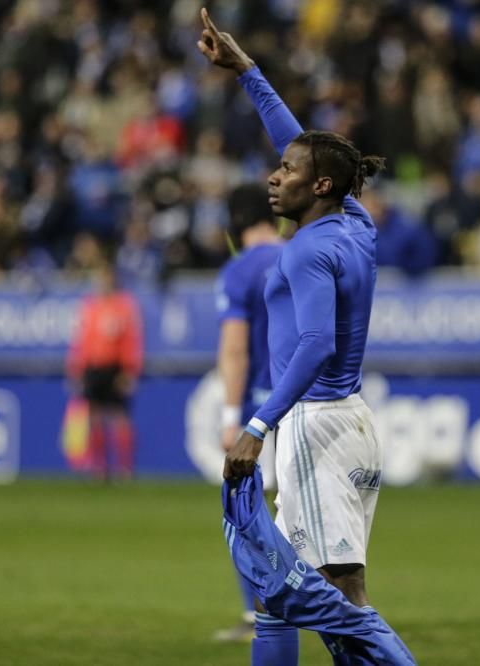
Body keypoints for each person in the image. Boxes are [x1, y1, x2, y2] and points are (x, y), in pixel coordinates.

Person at [198, 10, 412, 664]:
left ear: (318, 186)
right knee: (281, 588)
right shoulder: (354, 224)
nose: (273, 174)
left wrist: (258, 425)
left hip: (315, 426)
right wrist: (249, 74)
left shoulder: (304, 252)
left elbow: (316, 343)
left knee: (335, 598)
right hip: (347, 422)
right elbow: (306, 145)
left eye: (286, 170)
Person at [213, 183, 284, 642]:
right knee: (300, 517)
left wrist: (229, 416)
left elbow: (235, 349)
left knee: (248, 513)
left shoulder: (238, 271)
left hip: (260, 410)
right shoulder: (302, 256)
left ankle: (259, 616)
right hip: (309, 404)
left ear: (234, 226)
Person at [66, 261, 144, 481]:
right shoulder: (90, 306)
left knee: (120, 418)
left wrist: (130, 370)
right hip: (93, 368)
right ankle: (99, 469)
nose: (103, 283)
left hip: (115, 368)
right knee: (95, 418)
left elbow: (132, 340)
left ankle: (125, 469)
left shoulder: (125, 306)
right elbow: (81, 340)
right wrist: (77, 368)